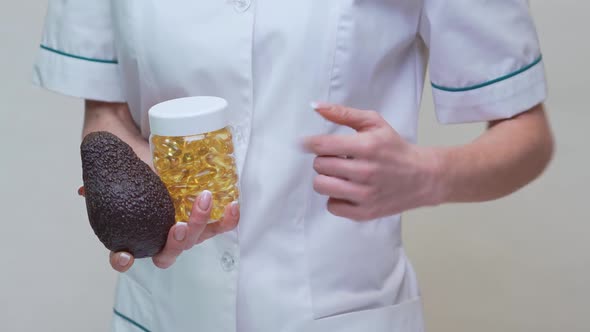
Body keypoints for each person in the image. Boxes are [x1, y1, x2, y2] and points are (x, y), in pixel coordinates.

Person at [34, 1, 554, 331]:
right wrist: (129, 175)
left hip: (345, 312)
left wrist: (428, 176)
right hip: (164, 313)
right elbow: (105, 111)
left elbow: (528, 134)